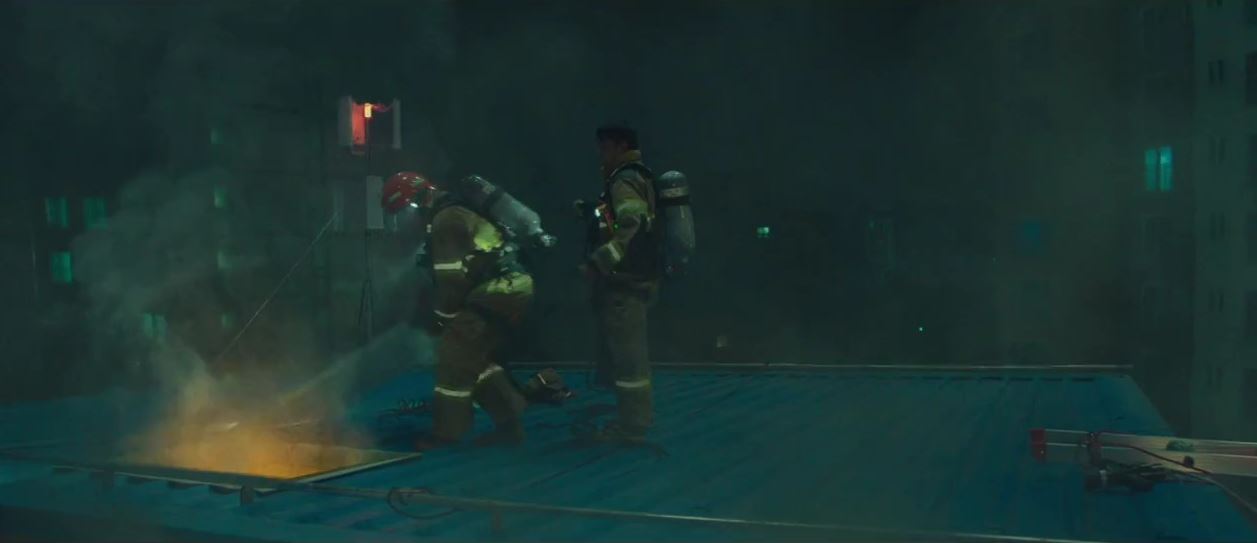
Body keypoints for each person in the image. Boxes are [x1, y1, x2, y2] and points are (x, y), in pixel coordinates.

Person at [381, 171, 532, 448]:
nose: (407, 220)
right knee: (475, 358)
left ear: (414, 201)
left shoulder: (445, 220)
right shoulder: (455, 211)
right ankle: (510, 423)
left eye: (404, 211)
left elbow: (450, 280)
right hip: (509, 286)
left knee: (452, 357)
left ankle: (447, 434)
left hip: (497, 289)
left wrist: (443, 318)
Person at [582, 122, 661, 444]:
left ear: (620, 146)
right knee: (629, 355)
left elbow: (631, 222)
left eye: (605, 148)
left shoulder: (624, 180)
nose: (601, 155)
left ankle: (632, 427)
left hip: (624, 282)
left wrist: (600, 260)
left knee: (629, 360)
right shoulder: (641, 176)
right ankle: (634, 421)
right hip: (639, 279)